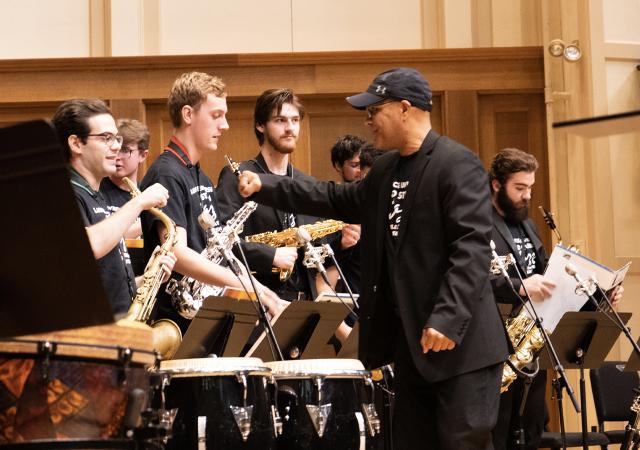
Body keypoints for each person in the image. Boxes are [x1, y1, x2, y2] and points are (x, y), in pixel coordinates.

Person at [238, 67, 509, 450]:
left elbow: (471, 248)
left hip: (459, 345)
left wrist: (447, 318)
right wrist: (265, 185)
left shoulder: (456, 164)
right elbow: (334, 198)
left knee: (461, 443)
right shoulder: (385, 168)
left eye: (374, 110)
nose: (367, 120)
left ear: (403, 108)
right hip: (413, 346)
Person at [488, 147, 623, 450]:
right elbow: (471, 281)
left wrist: (599, 295)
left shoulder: (527, 224)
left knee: (532, 431)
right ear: (496, 185)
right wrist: (520, 286)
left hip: (532, 348)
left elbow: (550, 282)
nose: (527, 196)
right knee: (496, 434)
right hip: (496, 348)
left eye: (530, 188)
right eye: (519, 188)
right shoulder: (477, 224)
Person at [140, 71, 284, 332]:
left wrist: (260, 289)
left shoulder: (202, 177)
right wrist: (247, 287)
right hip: (175, 321)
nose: (225, 125)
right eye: (216, 115)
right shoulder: (166, 173)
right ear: (188, 115)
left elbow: (221, 249)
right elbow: (176, 252)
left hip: (203, 318)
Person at [51, 98, 175, 316]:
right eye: (105, 138)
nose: (116, 146)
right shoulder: (63, 193)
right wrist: (139, 202)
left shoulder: (95, 196)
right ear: (76, 143)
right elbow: (89, 245)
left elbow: (105, 288)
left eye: (116, 138)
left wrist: (148, 279)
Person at [215, 88, 323, 301]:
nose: (290, 128)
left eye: (295, 120)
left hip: (305, 302)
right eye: (280, 120)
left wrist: (343, 241)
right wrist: (270, 255)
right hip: (258, 301)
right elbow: (220, 241)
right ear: (260, 125)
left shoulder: (307, 183)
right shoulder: (237, 175)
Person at [100, 118, 150, 240]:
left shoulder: (148, 194)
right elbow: (101, 238)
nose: (116, 156)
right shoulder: (96, 192)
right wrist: (149, 223)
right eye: (113, 148)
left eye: (125, 150)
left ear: (143, 155)